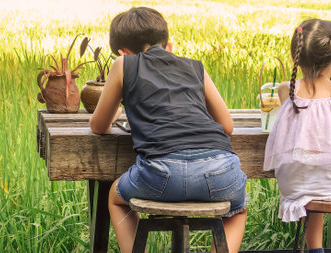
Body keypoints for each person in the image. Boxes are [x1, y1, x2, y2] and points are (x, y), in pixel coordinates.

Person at [89, 7, 247, 253]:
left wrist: (118, 113)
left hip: (161, 174)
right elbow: (227, 126)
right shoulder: (195, 67)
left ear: (123, 52)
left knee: (115, 198)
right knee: (238, 208)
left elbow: (98, 126)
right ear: (168, 46)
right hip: (220, 170)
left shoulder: (123, 64)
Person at [263, 19, 331, 253]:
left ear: (295, 59)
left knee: (310, 197)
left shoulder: (284, 90)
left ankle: (315, 250)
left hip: (294, 182)